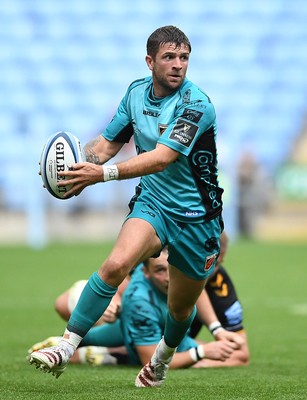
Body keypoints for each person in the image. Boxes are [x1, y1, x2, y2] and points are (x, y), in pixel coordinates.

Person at [30, 25, 225, 387]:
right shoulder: (135, 93)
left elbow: (163, 157)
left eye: (184, 58)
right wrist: (73, 168)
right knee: (117, 263)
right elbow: (104, 146)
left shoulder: (196, 104)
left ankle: (162, 359)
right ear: (150, 61)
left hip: (199, 216)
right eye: (169, 57)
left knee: (180, 309)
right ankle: (65, 347)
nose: (178, 65)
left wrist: (100, 175)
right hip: (154, 202)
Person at [28, 247, 248, 368]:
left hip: (161, 328)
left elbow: (194, 292)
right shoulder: (143, 282)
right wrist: (201, 354)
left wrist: (218, 330)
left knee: (236, 355)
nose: (169, 277)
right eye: (161, 270)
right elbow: (152, 360)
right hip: (149, 325)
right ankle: (83, 348)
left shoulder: (210, 279)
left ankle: (83, 345)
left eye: (213, 263)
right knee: (147, 342)